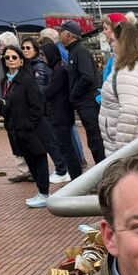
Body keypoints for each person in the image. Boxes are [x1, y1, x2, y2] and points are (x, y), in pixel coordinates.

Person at [0, 45, 52, 208]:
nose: (11, 60)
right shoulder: (6, 81)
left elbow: (37, 105)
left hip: (32, 130)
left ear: (21, 61)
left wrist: (28, 124)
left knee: (39, 160)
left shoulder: (27, 80)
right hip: (17, 129)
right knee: (30, 160)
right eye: (7, 58)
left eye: (14, 57)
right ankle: (40, 192)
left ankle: (44, 192)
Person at [98, 22, 138, 156]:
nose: (111, 44)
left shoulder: (128, 71)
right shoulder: (136, 64)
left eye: (113, 40)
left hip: (130, 142)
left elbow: (129, 113)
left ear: (124, 42)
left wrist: (120, 154)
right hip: (135, 138)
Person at [22, 36, 70, 183]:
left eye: (28, 48)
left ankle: (62, 169)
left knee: (51, 141)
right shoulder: (30, 65)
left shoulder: (39, 66)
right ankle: (61, 169)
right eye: (23, 48)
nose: (25, 51)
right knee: (47, 141)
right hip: (40, 110)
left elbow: (42, 90)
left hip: (43, 110)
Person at [58, 20, 105, 165]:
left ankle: (103, 172)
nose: (59, 34)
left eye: (61, 31)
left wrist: (74, 95)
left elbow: (87, 76)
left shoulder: (79, 51)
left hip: (88, 104)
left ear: (69, 35)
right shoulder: (74, 51)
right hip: (84, 103)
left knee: (96, 140)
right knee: (94, 140)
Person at [40, 27, 87, 169]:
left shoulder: (59, 71)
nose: (42, 58)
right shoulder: (56, 70)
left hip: (61, 115)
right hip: (60, 114)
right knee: (66, 149)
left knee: (67, 150)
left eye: (44, 55)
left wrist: (38, 88)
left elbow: (48, 92)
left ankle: (75, 176)